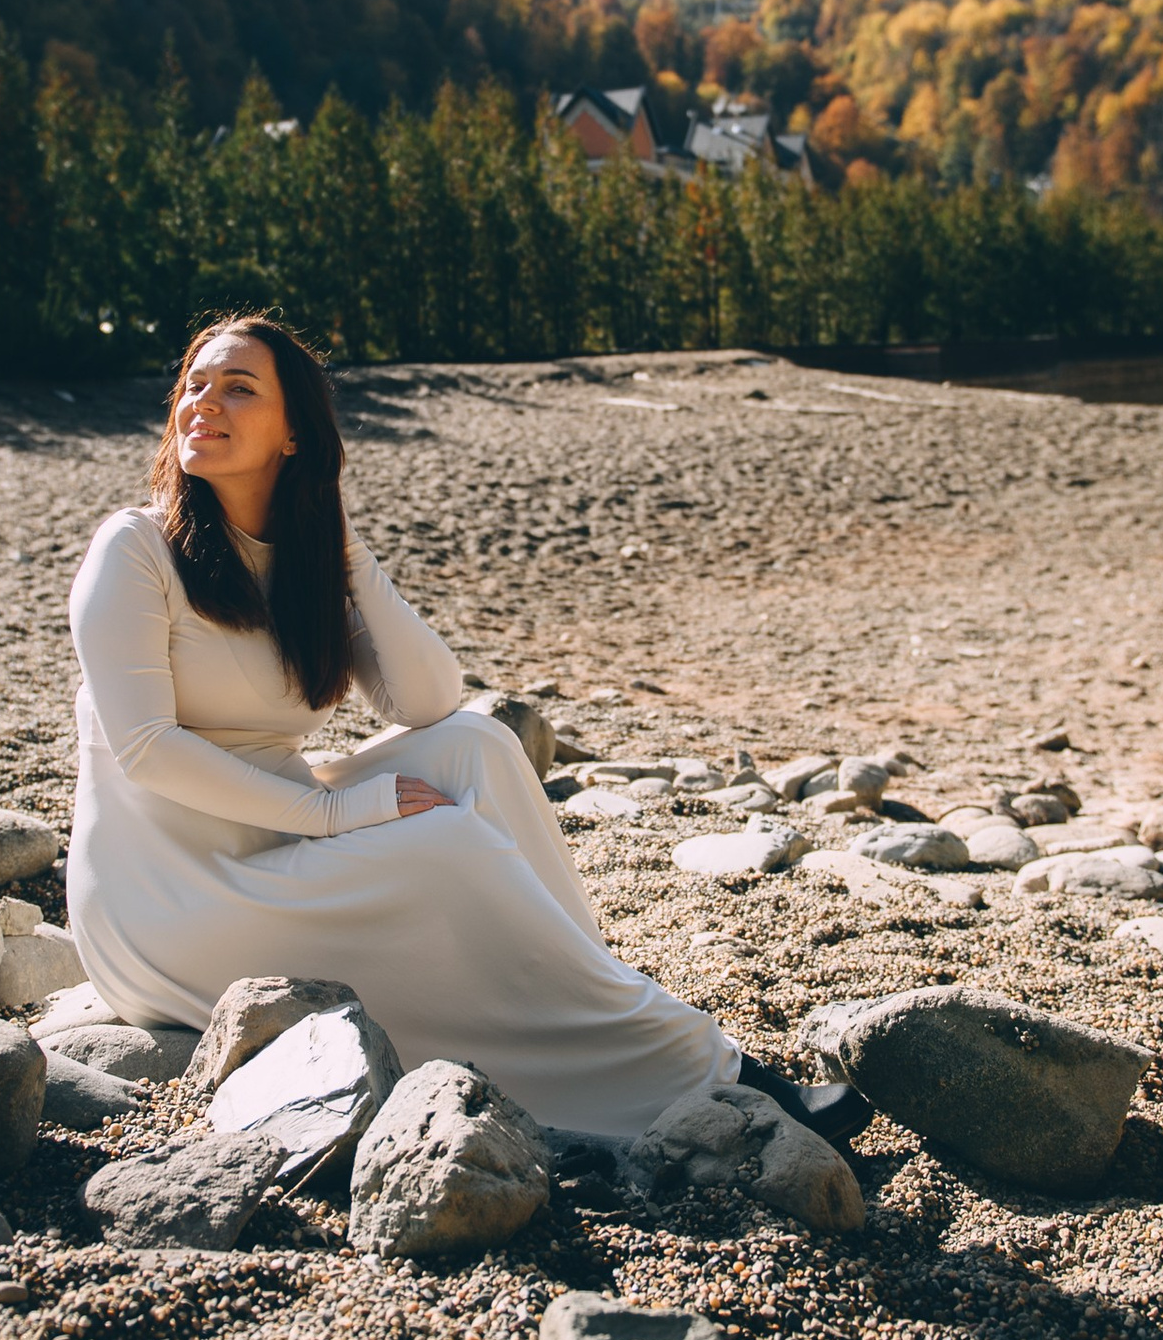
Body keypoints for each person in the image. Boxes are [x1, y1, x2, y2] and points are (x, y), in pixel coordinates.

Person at [63, 314, 866, 1142]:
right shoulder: (135, 547)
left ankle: (587, 987)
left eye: (238, 388)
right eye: (194, 384)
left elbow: (427, 700)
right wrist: (338, 812)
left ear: (294, 434)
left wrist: (340, 549)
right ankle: (709, 1072)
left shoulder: (306, 562)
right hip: (165, 897)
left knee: (478, 744)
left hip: (271, 841)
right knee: (447, 842)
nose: (203, 403)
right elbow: (146, 748)